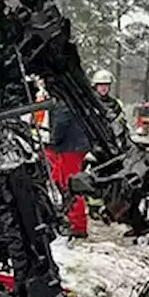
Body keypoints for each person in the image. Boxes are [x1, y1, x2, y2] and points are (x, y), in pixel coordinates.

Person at [47, 102, 91, 239]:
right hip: (75, 146)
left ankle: (77, 225)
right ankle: (72, 220)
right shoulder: (69, 97)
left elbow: (61, 123)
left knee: (71, 185)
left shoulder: (61, 102)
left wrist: (52, 140)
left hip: (69, 147)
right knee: (67, 182)